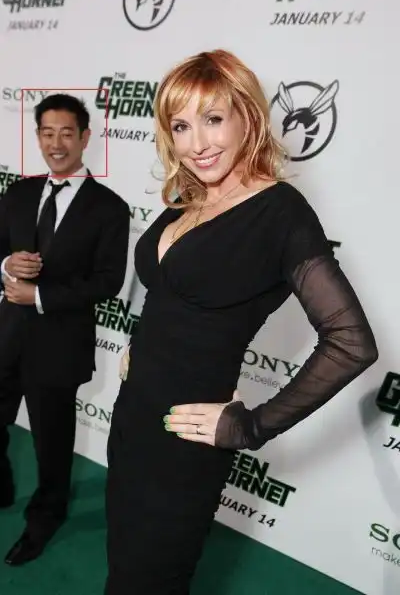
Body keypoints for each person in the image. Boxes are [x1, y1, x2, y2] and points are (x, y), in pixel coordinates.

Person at [105, 49, 378, 594]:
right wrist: (141, 348)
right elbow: (172, 299)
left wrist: (251, 426)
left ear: (247, 117)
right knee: (123, 568)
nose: (197, 143)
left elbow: (351, 342)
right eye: (181, 126)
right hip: (133, 417)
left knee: (148, 582)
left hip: (186, 440)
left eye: (213, 119)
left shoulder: (280, 212)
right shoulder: (187, 200)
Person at [0, 93, 130, 566]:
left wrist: (38, 296)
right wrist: (6, 265)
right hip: (5, 336)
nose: (56, 144)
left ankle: (45, 518)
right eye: (47, 133)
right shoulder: (17, 193)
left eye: (67, 133)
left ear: (85, 138)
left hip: (57, 348)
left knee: (51, 446)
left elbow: (108, 281)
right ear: (38, 137)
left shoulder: (109, 208)